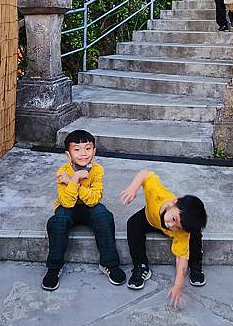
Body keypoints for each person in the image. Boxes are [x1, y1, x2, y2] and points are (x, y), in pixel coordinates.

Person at [42, 129, 126, 290]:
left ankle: (110, 264)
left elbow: (94, 199)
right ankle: (54, 268)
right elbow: (66, 202)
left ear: (94, 151)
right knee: (57, 221)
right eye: (77, 149)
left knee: (104, 215)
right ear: (68, 154)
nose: (83, 154)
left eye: (87, 148)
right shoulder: (63, 172)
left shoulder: (97, 170)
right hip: (68, 208)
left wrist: (75, 182)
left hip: (89, 207)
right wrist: (75, 177)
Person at [120, 170, 207, 308]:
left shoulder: (181, 231)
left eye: (177, 226)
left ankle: (196, 265)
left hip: (174, 233)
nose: (170, 225)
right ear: (174, 202)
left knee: (194, 234)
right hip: (150, 218)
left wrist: (178, 286)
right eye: (173, 219)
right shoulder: (158, 193)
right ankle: (141, 266)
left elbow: (181, 260)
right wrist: (133, 188)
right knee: (132, 223)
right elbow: (145, 174)